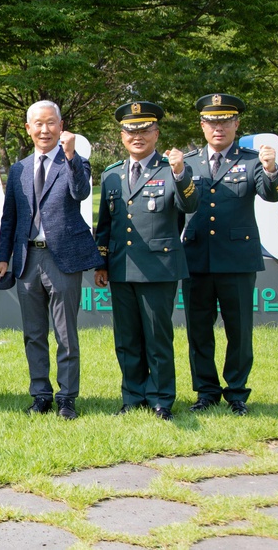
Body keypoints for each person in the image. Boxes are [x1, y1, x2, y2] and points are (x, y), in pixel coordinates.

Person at [0, 100, 103, 421]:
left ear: (61, 125)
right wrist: (3, 257)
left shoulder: (76, 161)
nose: (45, 129)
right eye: (38, 124)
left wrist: (70, 156)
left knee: (65, 333)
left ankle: (67, 397)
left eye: (51, 123)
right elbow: (9, 217)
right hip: (28, 259)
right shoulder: (19, 169)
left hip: (63, 259)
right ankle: (40, 394)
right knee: (33, 333)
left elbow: (80, 192)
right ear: (28, 129)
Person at [181, 93, 278, 416]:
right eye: (211, 122)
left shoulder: (252, 160)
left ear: (236, 124)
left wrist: (271, 169)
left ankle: (237, 392)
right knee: (198, 329)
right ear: (202, 125)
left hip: (237, 260)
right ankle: (206, 391)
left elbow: (271, 192)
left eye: (225, 121)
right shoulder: (188, 163)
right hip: (197, 258)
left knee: (238, 330)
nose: (218, 128)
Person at [94, 101, 198, 421]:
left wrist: (180, 173)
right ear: (122, 135)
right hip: (122, 267)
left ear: (156, 132)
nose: (137, 136)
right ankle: (132, 396)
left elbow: (189, 202)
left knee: (157, 337)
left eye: (144, 130)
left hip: (158, 268)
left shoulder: (172, 169)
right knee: (126, 339)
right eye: (130, 130)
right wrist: (101, 263)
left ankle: (161, 398)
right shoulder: (112, 175)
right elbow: (105, 225)